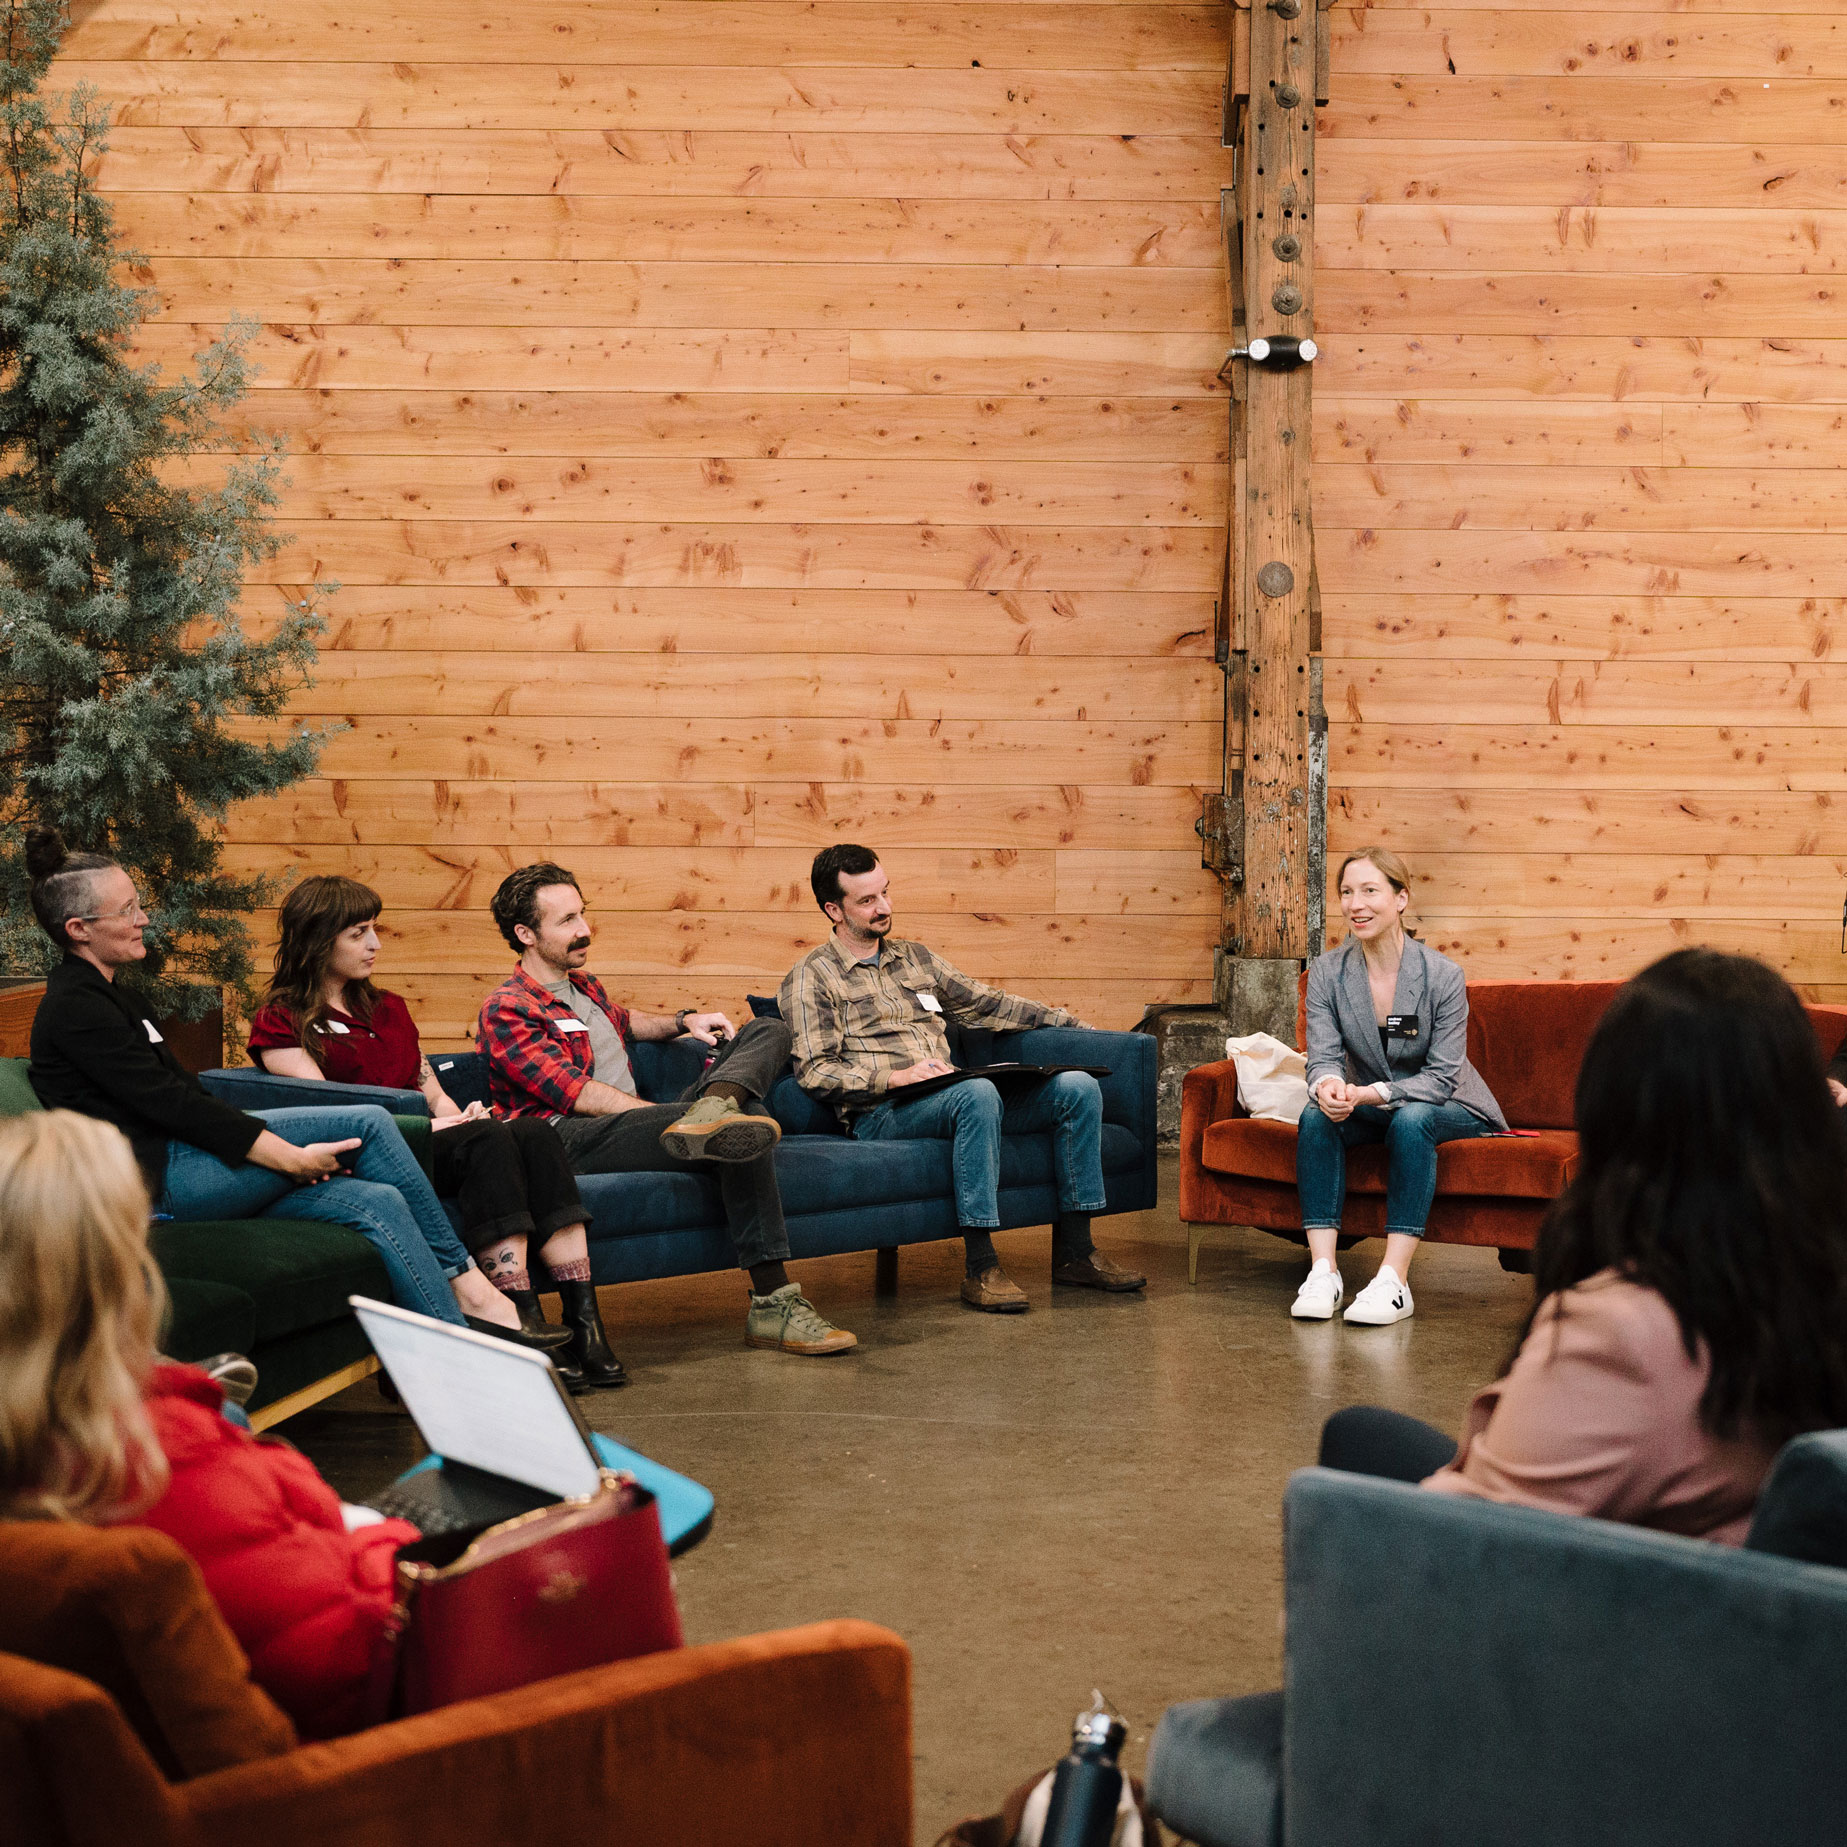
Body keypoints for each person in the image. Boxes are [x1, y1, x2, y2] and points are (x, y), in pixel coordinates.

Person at [1322, 949, 1847, 1546]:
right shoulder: (1816, 1275)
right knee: (1363, 1433)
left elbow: (1471, 1544)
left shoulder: (1621, 1332)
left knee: (1353, 1447)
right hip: (1736, 1572)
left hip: (1600, 1600)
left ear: (1614, 1111)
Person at [22, 828, 564, 1351]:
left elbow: (182, 1096)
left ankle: (456, 1348)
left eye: (138, 904)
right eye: (126, 911)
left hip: (186, 1159)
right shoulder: (76, 1010)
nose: (143, 919)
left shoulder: (118, 998)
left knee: (377, 1199)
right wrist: (287, 1157)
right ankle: (479, 1296)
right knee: (367, 1122)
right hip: (152, 1183)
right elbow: (174, 1106)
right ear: (78, 929)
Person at [0, 1108, 422, 1738]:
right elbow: (344, 1652)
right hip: (347, 1770)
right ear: (116, 1270)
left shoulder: (53, 1457)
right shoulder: (155, 1460)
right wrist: (406, 1544)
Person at [245, 875, 623, 1389]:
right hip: (366, 1152)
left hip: (428, 1141)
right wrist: (444, 1125)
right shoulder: (283, 1019)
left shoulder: (390, 1009)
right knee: (488, 1139)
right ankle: (518, 1318)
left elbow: (430, 1090)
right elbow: (330, 1110)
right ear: (318, 939)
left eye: (374, 930)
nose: (375, 944)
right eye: (358, 934)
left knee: (531, 1132)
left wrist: (459, 1110)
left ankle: (586, 1327)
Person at [477, 861, 856, 1357]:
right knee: (743, 1123)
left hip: (633, 1121)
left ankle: (715, 1109)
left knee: (770, 1030)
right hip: (565, 1139)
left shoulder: (583, 985)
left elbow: (624, 1022)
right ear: (526, 933)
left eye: (582, 915)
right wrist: (659, 1115)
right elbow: (576, 1093)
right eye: (566, 921)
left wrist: (685, 1020)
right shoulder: (507, 1008)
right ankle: (773, 1304)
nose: (584, 930)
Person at [779, 843, 1145, 1313]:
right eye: (867, 901)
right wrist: (895, 1077)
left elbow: (986, 1003)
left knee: (1076, 1087)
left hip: (951, 1094)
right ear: (834, 909)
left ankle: (1075, 1253)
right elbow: (816, 1070)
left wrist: (1069, 1025)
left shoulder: (915, 959)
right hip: (885, 1112)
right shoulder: (812, 977)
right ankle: (981, 1266)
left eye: (885, 893)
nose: (885, 907)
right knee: (975, 1093)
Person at [1292, 849, 1506, 1326]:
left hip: (1448, 1102)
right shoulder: (1328, 973)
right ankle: (1323, 1271)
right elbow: (1323, 1055)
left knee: (1411, 1118)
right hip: (1371, 1101)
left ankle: (1394, 1281)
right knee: (1314, 1115)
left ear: (1401, 898)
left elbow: (1442, 1075)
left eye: (1370, 891)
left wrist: (1370, 1094)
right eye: (1347, 892)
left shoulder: (1442, 976)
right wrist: (1328, 1084)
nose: (1355, 904)